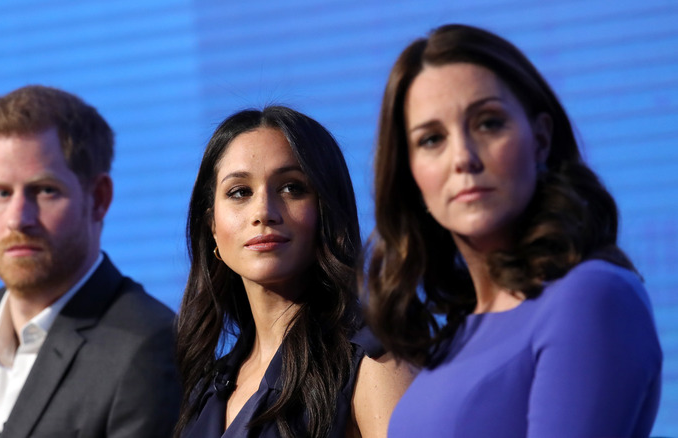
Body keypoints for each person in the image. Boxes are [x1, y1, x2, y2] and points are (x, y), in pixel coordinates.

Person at [365, 24, 662, 437]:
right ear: (411, 173)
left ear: (540, 139)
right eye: (432, 139)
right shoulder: (454, 335)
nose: (463, 158)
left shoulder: (591, 296)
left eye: (488, 123)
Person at [0, 85, 181, 438]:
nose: (18, 218)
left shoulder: (148, 347)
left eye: (45, 190)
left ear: (98, 199)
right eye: (1, 193)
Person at [174, 106, 414, 438]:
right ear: (212, 226)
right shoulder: (206, 387)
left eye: (292, 188)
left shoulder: (372, 360)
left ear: (327, 210)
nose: (263, 212)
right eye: (240, 192)